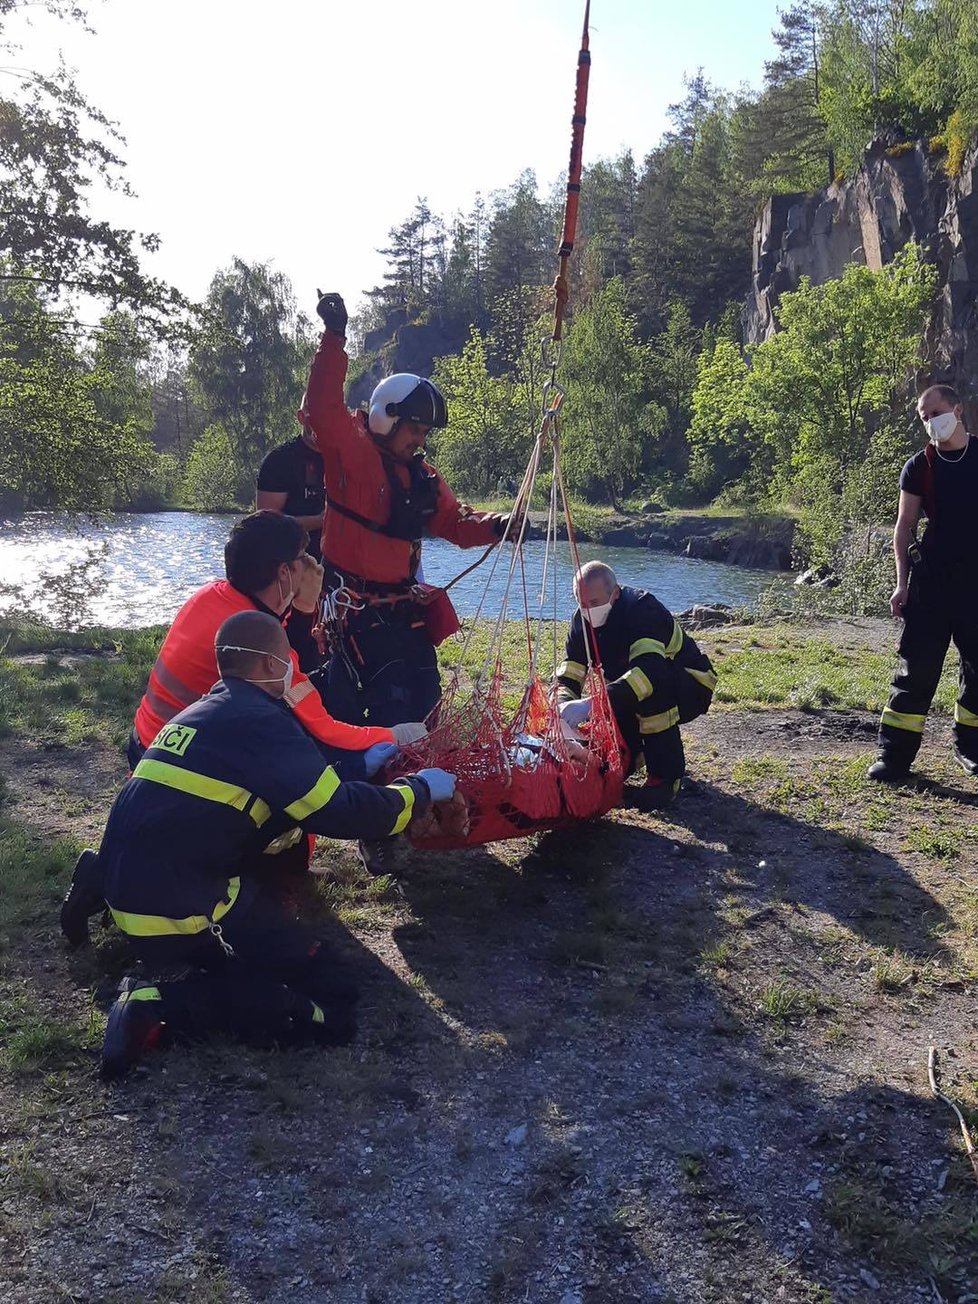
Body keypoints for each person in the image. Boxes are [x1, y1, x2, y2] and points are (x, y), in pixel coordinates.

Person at [98, 611, 457, 1080]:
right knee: (325, 989)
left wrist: (358, 768)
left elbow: (290, 785)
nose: (294, 666)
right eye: (288, 656)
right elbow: (336, 812)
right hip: (179, 906)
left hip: (126, 883)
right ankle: (158, 1008)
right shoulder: (262, 721)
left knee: (286, 939)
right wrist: (420, 790)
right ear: (271, 664)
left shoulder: (206, 712)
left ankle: (97, 890)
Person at [60, 511, 422, 947]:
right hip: (189, 771)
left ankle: (102, 873)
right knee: (305, 774)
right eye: (304, 558)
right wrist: (395, 735)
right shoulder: (260, 646)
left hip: (152, 750)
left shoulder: (216, 600)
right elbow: (325, 729)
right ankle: (278, 874)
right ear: (284, 572)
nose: (315, 569)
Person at [304, 291, 512, 730]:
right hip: (354, 611)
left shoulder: (424, 478)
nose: (419, 439)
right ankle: (385, 785)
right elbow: (322, 409)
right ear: (387, 418)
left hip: (403, 609)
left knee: (426, 696)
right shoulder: (351, 453)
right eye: (414, 429)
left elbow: (454, 522)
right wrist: (334, 339)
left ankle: (420, 778)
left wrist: (498, 526)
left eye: (424, 432)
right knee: (388, 702)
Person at [868, 383, 978, 783]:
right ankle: (893, 756)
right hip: (931, 582)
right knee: (916, 669)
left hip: (975, 585)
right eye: (924, 417)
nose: (932, 421)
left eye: (936, 412)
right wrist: (901, 584)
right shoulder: (920, 466)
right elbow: (904, 527)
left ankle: (970, 747)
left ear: (958, 410)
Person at [556, 561, 716, 811]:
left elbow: (650, 672)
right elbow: (571, 670)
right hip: (634, 685)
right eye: (582, 603)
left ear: (615, 593)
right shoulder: (581, 620)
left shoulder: (642, 610)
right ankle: (635, 753)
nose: (588, 611)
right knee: (611, 747)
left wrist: (592, 703)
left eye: (595, 603)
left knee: (651, 695)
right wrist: (562, 704)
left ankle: (665, 779)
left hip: (690, 683)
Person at [256, 418, 326, 561]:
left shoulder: (345, 457)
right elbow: (267, 523)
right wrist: (320, 521)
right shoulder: (279, 460)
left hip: (339, 566)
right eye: (315, 416)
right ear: (301, 417)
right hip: (292, 564)